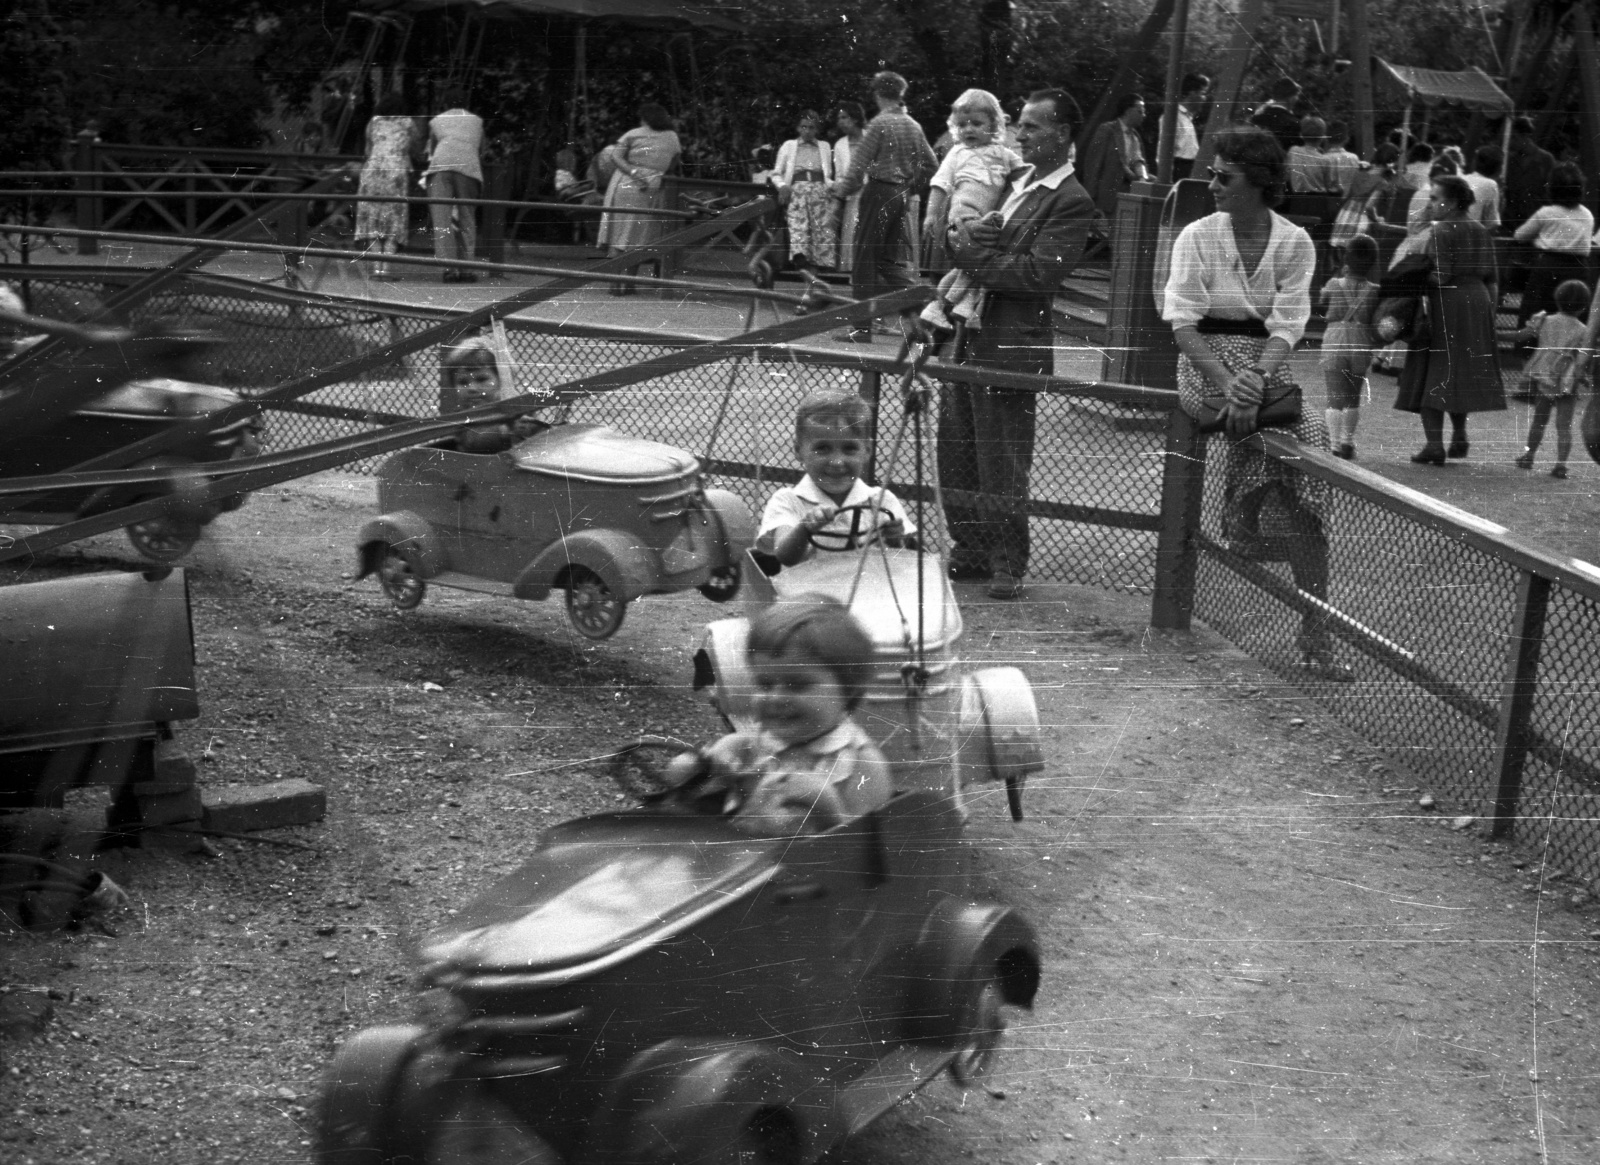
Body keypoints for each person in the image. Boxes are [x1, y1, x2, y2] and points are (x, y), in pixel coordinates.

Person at [1161, 126, 1351, 682]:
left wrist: (1255, 379)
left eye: (1225, 176)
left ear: (1261, 183)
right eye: (1213, 174)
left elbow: (1288, 324)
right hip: (1206, 363)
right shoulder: (1197, 235)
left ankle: (1305, 600)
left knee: (1310, 442)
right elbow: (1184, 323)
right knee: (1261, 430)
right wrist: (1230, 382)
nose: (1213, 184)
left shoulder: (1294, 242)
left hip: (1266, 368)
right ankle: (1255, 534)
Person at [940, 87, 1096, 600]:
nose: (1020, 134)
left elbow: (1037, 275)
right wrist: (960, 242)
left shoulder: (1071, 200)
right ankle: (969, 548)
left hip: (1010, 341)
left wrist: (967, 256)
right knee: (957, 447)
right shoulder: (1013, 178)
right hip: (969, 331)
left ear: (1063, 135)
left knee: (1002, 456)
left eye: (1032, 126)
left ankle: (1008, 559)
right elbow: (959, 230)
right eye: (1021, 125)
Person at [661, 597, 893, 838]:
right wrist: (702, 766)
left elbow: (866, 857)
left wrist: (825, 803)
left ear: (848, 690)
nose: (776, 697)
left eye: (797, 685)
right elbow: (689, 796)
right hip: (743, 861)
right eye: (765, 684)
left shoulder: (862, 764)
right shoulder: (751, 744)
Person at [1394, 174, 1505, 464]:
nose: (1430, 204)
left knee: (1433, 370)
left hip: (1449, 303)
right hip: (1477, 300)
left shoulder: (1442, 230)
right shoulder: (1481, 230)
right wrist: (1489, 312)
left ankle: (1434, 444)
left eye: (1435, 198)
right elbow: (1493, 278)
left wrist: (1411, 277)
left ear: (1452, 201)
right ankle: (1459, 434)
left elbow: (1442, 275)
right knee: (1459, 372)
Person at [829, 72, 938, 343]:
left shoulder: (879, 124)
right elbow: (931, 164)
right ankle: (927, 308)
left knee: (864, 260)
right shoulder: (913, 125)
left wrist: (839, 197)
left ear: (878, 94)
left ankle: (861, 329)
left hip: (878, 192)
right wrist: (910, 186)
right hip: (899, 195)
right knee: (889, 260)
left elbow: (857, 167)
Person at [757, 389, 915, 568]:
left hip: (866, 592)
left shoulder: (881, 501)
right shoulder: (788, 501)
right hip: (807, 593)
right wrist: (805, 528)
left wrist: (895, 540)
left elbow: (902, 563)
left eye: (849, 448)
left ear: (867, 451)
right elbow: (784, 556)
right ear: (798, 451)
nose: (837, 462)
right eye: (823, 448)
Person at [917, 89, 1022, 337]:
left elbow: (1025, 173)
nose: (968, 130)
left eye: (976, 123)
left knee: (972, 266)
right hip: (963, 215)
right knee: (978, 261)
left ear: (994, 125)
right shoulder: (958, 153)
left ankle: (943, 306)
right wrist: (931, 215)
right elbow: (940, 184)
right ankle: (957, 306)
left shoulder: (1004, 154)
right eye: (962, 125)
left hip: (985, 219)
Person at [598, 102, 682, 295]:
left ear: (645, 118)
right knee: (638, 234)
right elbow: (675, 161)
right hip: (654, 184)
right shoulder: (672, 137)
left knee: (618, 232)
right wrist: (656, 171)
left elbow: (616, 158)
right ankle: (629, 283)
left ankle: (614, 284)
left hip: (626, 182)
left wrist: (635, 172)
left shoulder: (633, 134)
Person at [1515, 279, 1593, 479]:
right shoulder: (1583, 330)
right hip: (1567, 379)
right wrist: (1582, 376)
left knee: (1539, 421)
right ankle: (1560, 464)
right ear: (1584, 305)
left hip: (1545, 374)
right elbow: (1582, 357)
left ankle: (1529, 455)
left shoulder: (1545, 321)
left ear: (1557, 299)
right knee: (1564, 425)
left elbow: (1522, 337)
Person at [1319, 234, 1380, 460]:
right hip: (1361, 340)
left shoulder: (1334, 284)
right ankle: (1348, 441)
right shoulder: (1375, 290)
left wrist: (1339, 274)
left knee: (1334, 395)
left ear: (1346, 258)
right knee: (1353, 396)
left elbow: (1323, 299)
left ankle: (1334, 444)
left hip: (1335, 338)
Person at [1512, 162, 1593, 327]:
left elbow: (1520, 235)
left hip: (1548, 268)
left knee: (1537, 313)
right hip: (1578, 270)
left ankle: (1530, 349)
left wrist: (1536, 240)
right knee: (1573, 317)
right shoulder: (1587, 214)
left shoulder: (1546, 213)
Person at [437, 335, 541, 454]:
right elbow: (473, 442)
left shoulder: (519, 406)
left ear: (502, 379)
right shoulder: (462, 415)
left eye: (481, 379)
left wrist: (530, 425)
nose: (472, 388)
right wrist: (504, 431)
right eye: (463, 382)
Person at [353, 94, 418, 281]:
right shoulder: (408, 123)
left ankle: (376, 269)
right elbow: (414, 148)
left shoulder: (373, 122)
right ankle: (386, 270)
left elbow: (367, 150)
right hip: (395, 174)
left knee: (373, 220)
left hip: (372, 172)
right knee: (394, 221)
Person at [422, 89, 484, 284]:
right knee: (467, 217)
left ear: (444, 103)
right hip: (468, 168)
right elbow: (481, 148)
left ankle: (449, 269)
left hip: (441, 167)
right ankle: (467, 269)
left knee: (442, 219)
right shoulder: (477, 121)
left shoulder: (436, 120)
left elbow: (431, 150)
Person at [774, 110, 837, 300]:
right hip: (798, 195)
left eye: (811, 127)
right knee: (799, 242)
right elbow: (776, 172)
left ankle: (807, 295)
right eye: (804, 127)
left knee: (818, 244)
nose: (807, 131)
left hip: (820, 195)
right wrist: (783, 186)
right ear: (798, 128)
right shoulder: (789, 146)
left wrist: (836, 188)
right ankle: (812, 288)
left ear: (817, 129)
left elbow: (829, 177)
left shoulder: (825, 146)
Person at [1081, 93, 1150, 220]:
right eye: (1140, 111)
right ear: (1128, 111)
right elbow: (1093, 165)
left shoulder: (1135, 136)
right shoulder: (1107, 130)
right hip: (1106, 200)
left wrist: (1142, 177)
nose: (1144, 116)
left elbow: (1139, 160)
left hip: (1128, 198)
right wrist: (1090, 198)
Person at [1330, 143, 1398, 251]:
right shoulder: (1381, 182)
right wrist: (1377, 219)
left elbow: (1345, 195)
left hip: (1346, 213)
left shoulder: (1358, 173)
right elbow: (1369, 206)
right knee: (1356, 251)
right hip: (1360, 217)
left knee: (1341, 251)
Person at [831, 101, 867, 273]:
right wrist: (841, 188)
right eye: (839, 118)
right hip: (851, 195)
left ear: (855, 118)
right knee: (852, 232)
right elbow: (839, 174)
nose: (840, 122)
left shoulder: (870, 138)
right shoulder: (839, 145)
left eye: (844, 117)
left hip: (870, 193)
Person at [1504, 115, 1557, 230]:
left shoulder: (1546, 159)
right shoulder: (1508, 159)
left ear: (1526, 136)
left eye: (1514, 138)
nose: (1511, 142)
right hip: (1511, 220)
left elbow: (1552, 192)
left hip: (1536, 219)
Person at [1160, 72, 1210, 181]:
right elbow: (1163, 153)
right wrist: (1166, 179)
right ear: (1192, 93)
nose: (1204, 98)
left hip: (1189, 170)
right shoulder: (1172, 117)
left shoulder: (1187, 119)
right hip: (1179, 171)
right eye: (1203, 93)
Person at [1251, 78, 1303, 152]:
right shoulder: (1293, 124)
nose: (1297, 99)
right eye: (1297, 95)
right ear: (1290, 98)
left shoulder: (1257, 117)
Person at [1286, 117, 1334, 193]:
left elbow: (1287, 175)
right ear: (1322, 137)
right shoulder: (1325, 160)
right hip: (1320, 200)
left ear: (1301, 135)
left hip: (1296, 200)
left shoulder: (1293, 151)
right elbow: (1329, 185)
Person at [1463, 145, 1503, 233]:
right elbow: (1492, 225)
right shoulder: (1490, 185)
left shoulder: (1461, 179)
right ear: (1499, 168)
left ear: (1474, 162)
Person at [1321, 122, 1361, 195]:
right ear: (1347, 139)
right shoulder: (1354, 158)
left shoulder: (1322, 159)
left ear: (1326, 138)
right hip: (1349, 201)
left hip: (1328, 203)